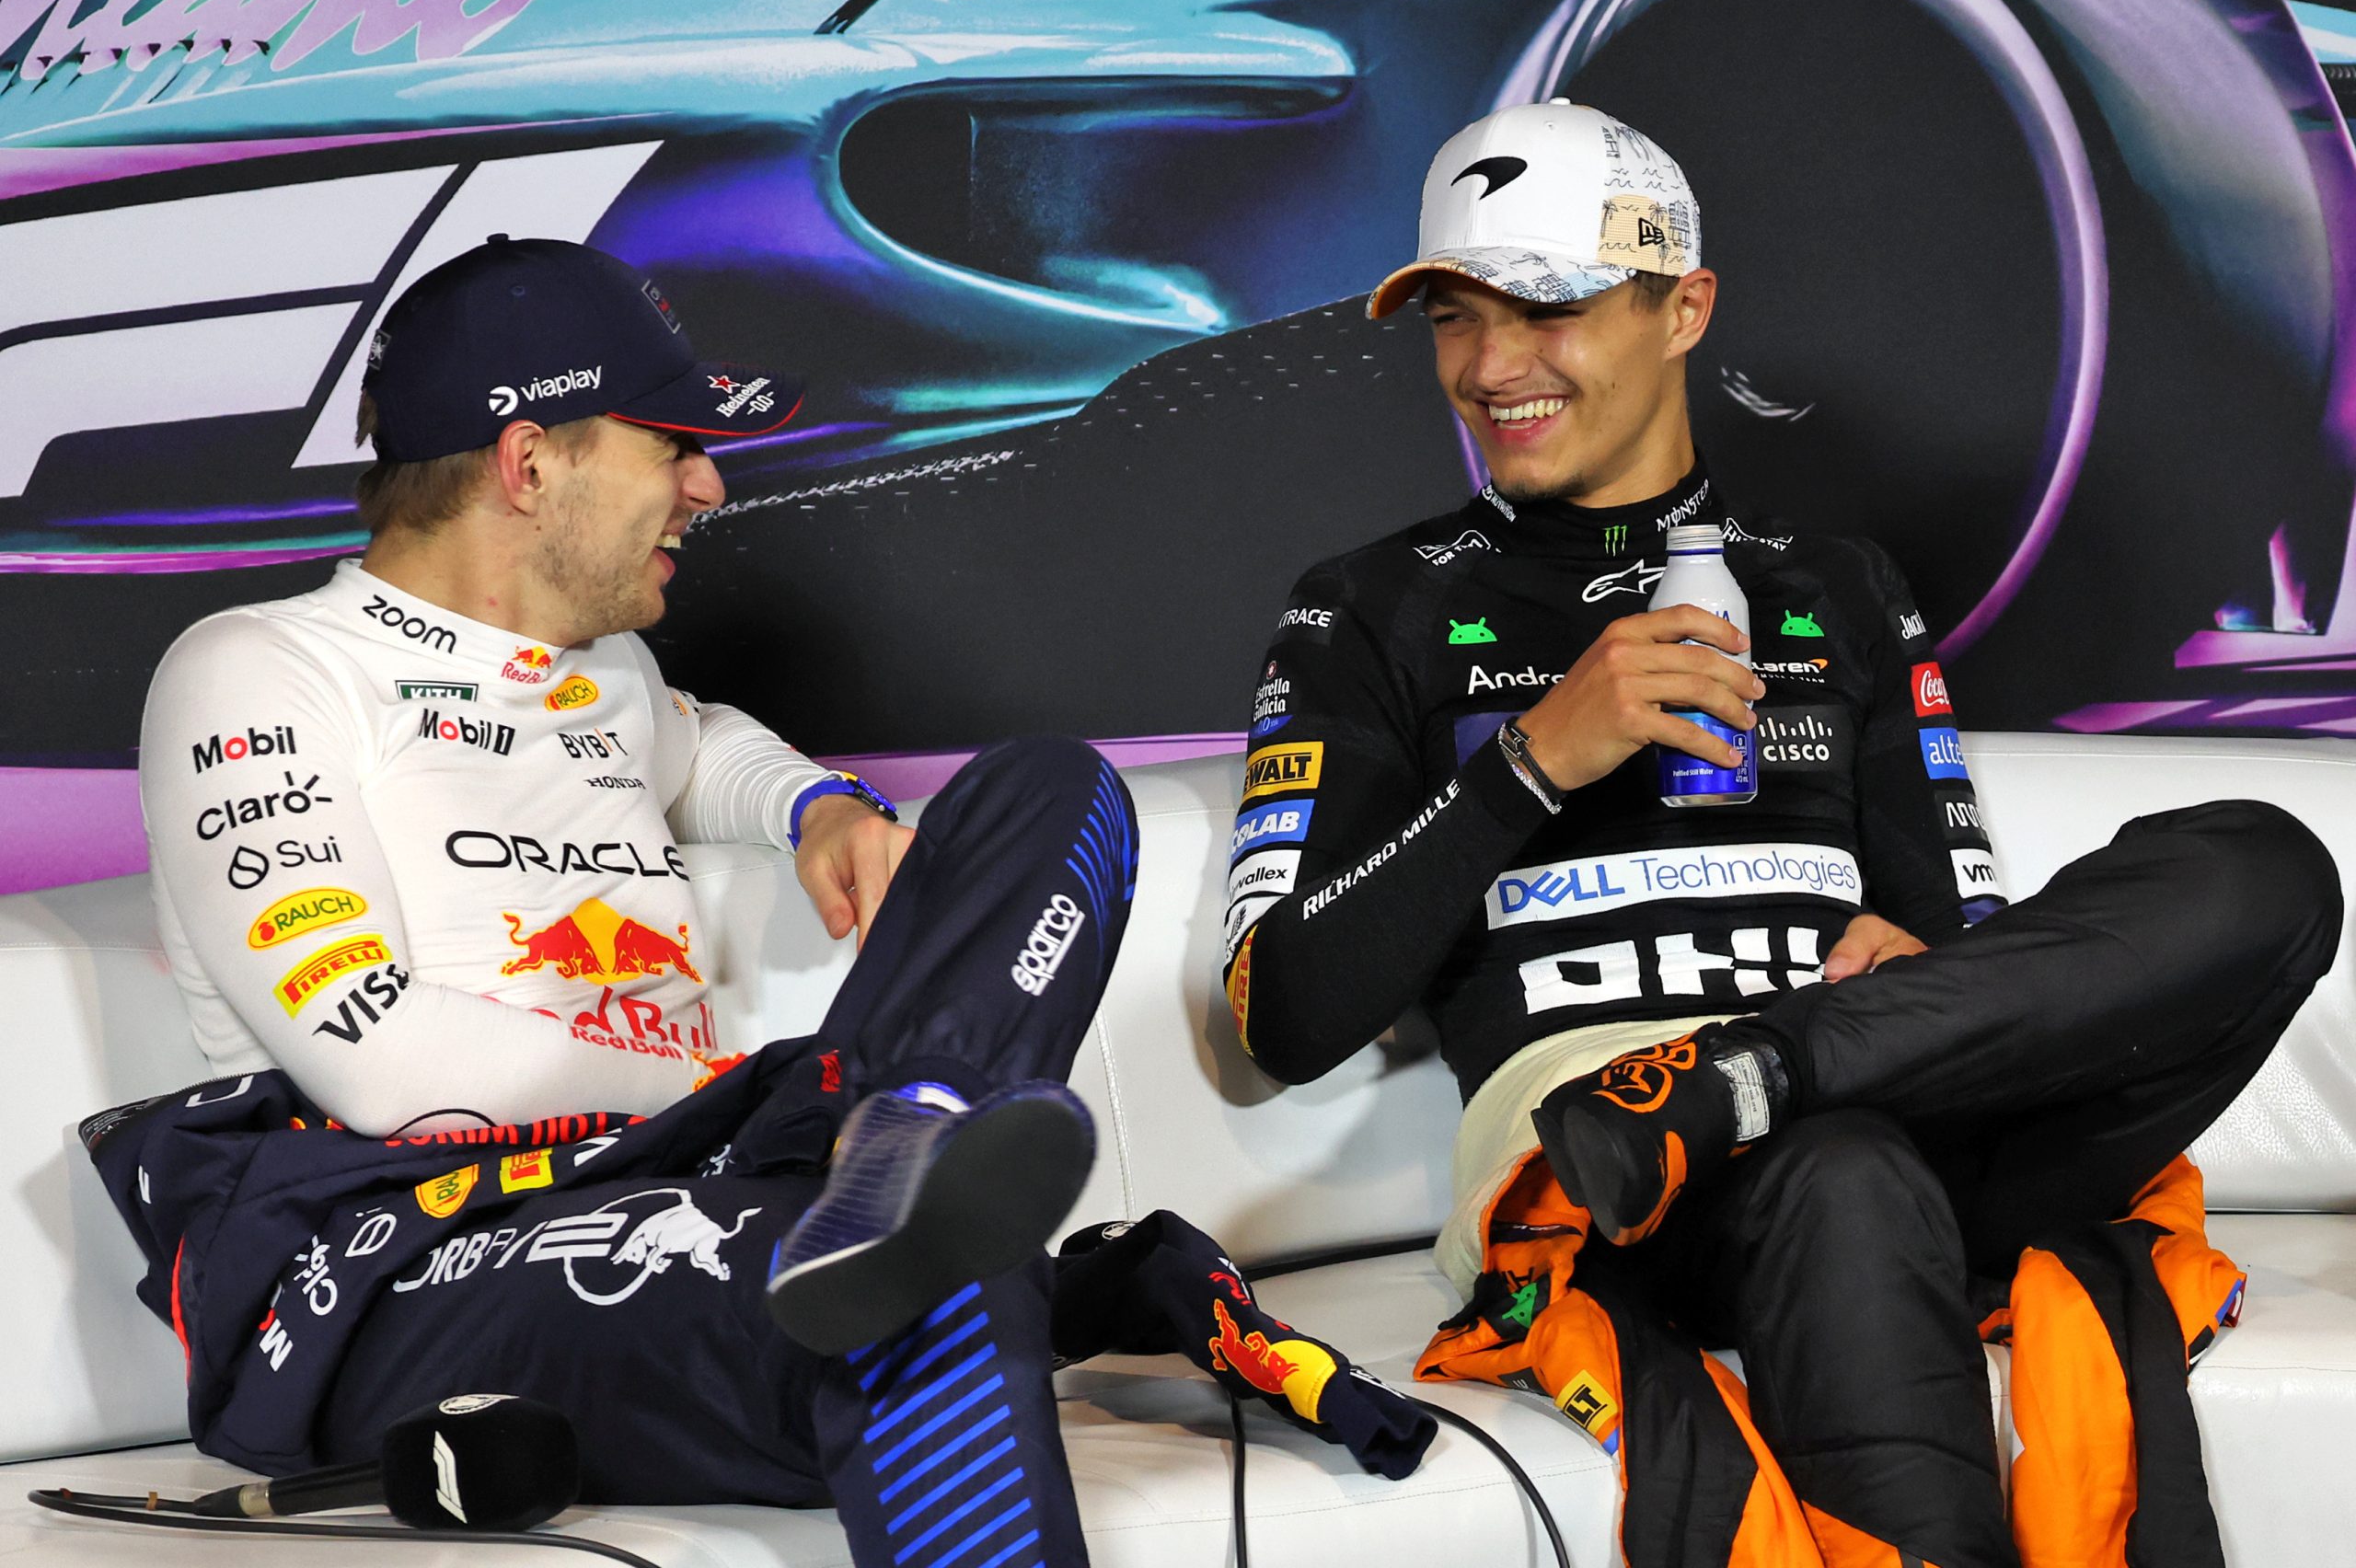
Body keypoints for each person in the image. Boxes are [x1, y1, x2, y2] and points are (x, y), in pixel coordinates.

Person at [1218, 100, 2342, 1566]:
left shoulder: (1842, 585)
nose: (1491, 367)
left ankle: (1753, 1070)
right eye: (1454, 316)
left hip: (1898, 1095)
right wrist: (1538, 760)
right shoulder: (1368, 606)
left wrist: (1913, 961)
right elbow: (1285, 1014)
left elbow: (1961, 936)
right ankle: (1737, 1093)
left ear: (1683, 308)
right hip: (1621, 1170)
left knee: (2266, 865)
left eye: (1547, 308)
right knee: (1842, 1170)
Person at [115, 236, 1137, 1566]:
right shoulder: (256, 671)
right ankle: (890, 1179)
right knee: (936, 1286)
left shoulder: (609, 673)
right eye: (671, 444)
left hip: (706, 1185)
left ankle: (913, 1131)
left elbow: (698, 746)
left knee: (1056, 790)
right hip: (408, 1257)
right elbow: (381, 1061)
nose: (709, 485)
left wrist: (817, 807)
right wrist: (738, 1095)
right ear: (528, 463)